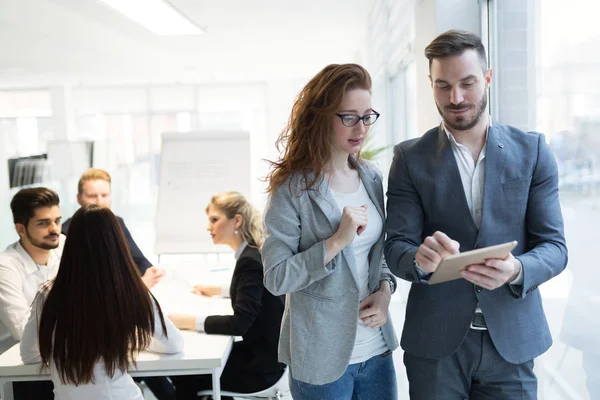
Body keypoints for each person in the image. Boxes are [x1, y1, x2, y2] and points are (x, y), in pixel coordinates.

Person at [384, 29, 568, 399]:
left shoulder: (532, 150)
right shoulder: (408, 158)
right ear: (431, 84)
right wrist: (419, 259)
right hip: (435, 345)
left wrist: (517, 269)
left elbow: (555, 248)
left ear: (487, 76)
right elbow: (396, 247)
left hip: (511, 343)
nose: (456, 98)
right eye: (443, 86)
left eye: (467, 83)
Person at [261, 63, 399, 399]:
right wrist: (336, 241)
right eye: (349, 117)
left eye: (367, 116)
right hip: (321, 359)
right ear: (322, 117)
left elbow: (377, 253)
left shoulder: (371, 177)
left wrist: (385, 290)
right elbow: (276, 277)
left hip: (376, 350)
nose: (361, 127)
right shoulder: (292, 188)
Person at [20, 204, 184, 400]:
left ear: (71, 243)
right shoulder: (129, 291)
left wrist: (64, 347)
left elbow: (29, 355)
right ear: (117, 242)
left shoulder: (48, 293)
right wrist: (128, 342)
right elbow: (173, 344)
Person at [168, 191, 285, 399]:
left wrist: (187, 321)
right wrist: (219, 290)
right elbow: (255, 293)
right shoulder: (252, 253)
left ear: (236, 221)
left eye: (214, 219)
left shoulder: (249, 261)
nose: (208, 227)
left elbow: (239, 324)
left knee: (186, 375)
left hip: (262, 368)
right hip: (267, 356)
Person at [0, 187, 63, 399]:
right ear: (21, 229)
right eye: (43, 223)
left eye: (57, 220)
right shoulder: (5, 266)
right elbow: (23, 330)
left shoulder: (63, 246)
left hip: (58, 360)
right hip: (19, 370)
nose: (54, 229)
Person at [62, 168, 163, 289]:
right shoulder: (66, 232)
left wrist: (153, 273)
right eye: (92, 196)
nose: (99, 201)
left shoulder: (117, 223)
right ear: (79, 199)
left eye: (104, 195)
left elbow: (140, 261)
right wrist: (138, 286)